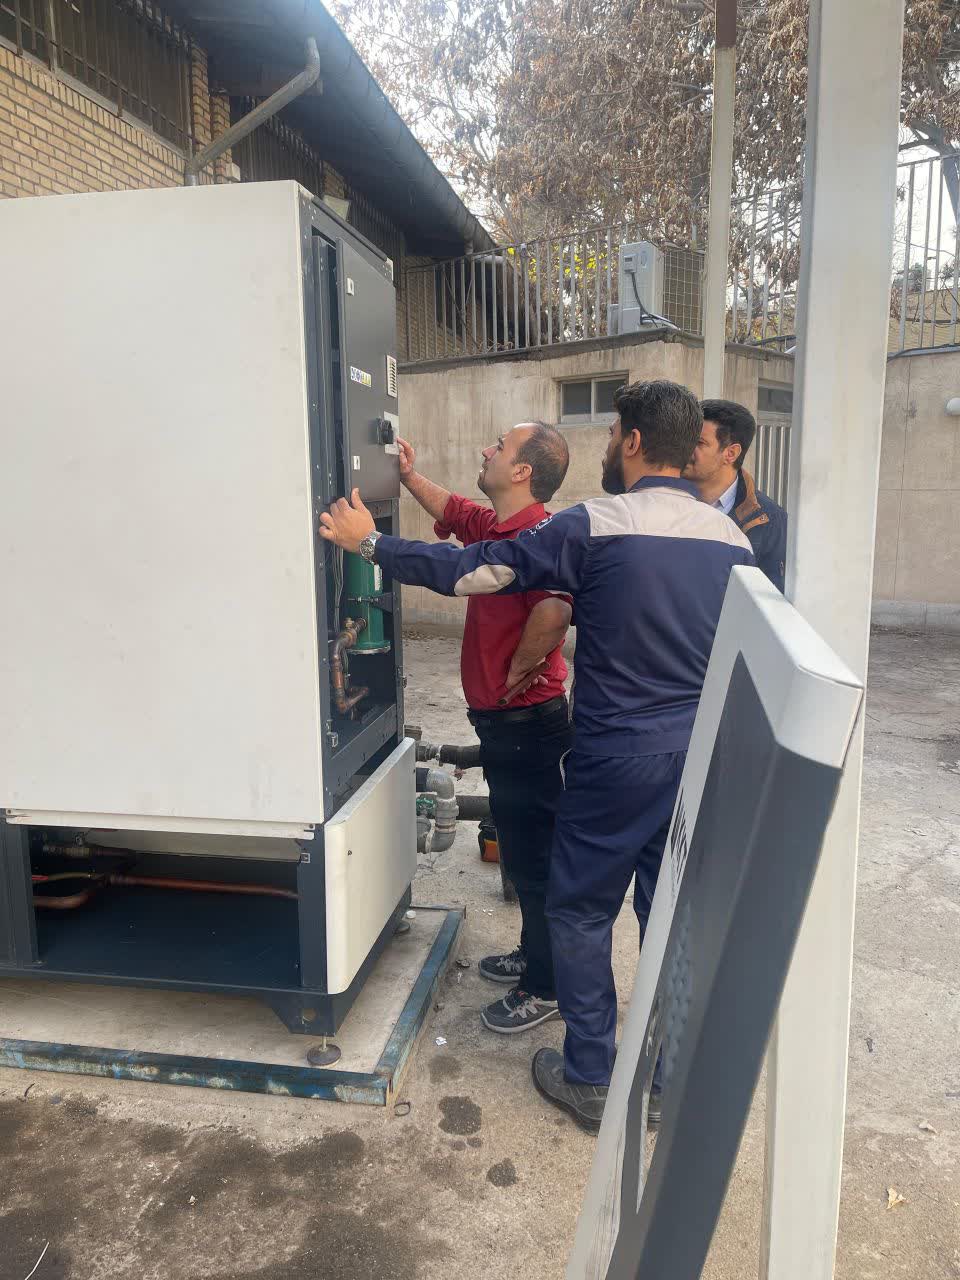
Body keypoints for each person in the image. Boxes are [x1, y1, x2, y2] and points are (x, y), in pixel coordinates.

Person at [320, 380, 755, 1134]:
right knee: (668, 913)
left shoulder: (597, 525)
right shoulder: (732, 541)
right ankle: (670, 1078)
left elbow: (475, 570)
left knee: (580, 909)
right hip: (697, 755)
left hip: (615, 755)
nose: (609, 445)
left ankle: (590, 1073)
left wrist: (370, 543)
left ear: (632, 442)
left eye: (613, 432)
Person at [397, 423, 575, 1035]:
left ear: (522, 471)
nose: (486, 451)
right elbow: (455, 510)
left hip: (528, 725)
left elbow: (554, 609)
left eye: (498, 448)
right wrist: (408, 477)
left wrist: (520, 668)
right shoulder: (499, 528)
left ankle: (546, 987)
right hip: (509, 724)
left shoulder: (536, 537)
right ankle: (534, 954)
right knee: (522, 854)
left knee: (536, 860)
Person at [684, 399, 788, 591]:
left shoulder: (769, 520)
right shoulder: (665, 499)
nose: (685, 448)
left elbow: (769, 598)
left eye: (699, 442)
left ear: (731, 453)